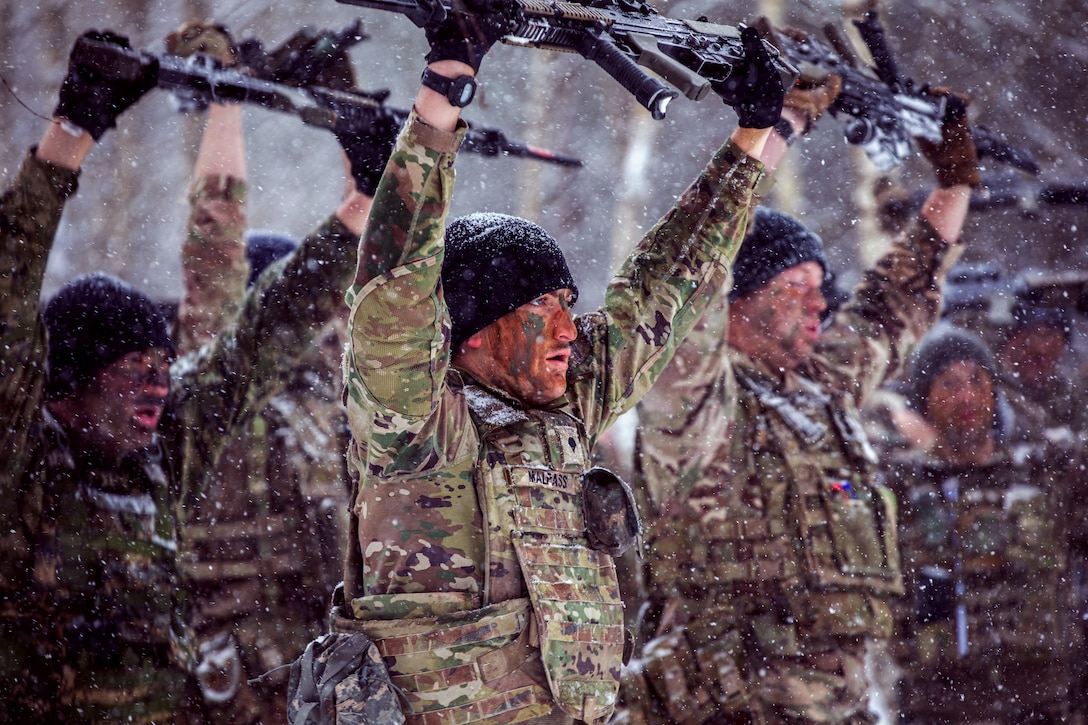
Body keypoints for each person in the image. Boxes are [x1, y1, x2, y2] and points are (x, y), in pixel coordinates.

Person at [316, 5, 789, 723]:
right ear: (473, 330)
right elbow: (392, 293)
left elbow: (666, 289)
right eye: (546, 306)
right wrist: (445, 91)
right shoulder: (415, 426)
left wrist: (753, 135)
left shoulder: (564, 406)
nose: (572, 326)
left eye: (570, 302)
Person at [0, 28, 375, 723]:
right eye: (130, 368)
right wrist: (74, 133)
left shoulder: (170, 453)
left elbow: (292, 321)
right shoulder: (25, 461)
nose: (154, 383)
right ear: (73, 379)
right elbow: (220, 270)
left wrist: (365, 190)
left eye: (158, 366)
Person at [626, 78, 980, 723]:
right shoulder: (697, 394)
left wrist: (953, 184)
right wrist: (777, 127)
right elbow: (691, 263)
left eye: (820, 286)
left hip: (837, 706)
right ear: (735, 297)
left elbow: (893, 303)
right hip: (731, 707)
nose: (820, 303)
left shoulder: (819, 389)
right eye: (796, 286)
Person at [160, 22, 382, 724]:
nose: (321, 323)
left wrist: (353, 124)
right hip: (228, 671)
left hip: (320, 664)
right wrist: (224, 100)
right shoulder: (216, 382)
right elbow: (215, 243)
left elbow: (367, 252)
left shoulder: (328, 387)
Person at [884, 324, 1084, 722]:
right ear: (923, 402)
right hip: (937, 703)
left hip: (1040, 698)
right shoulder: (900, 486)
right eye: (948, 383)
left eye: (978, 379)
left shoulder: (1043, 469)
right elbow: (841, 470)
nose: (966, 396)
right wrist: (890, 412)